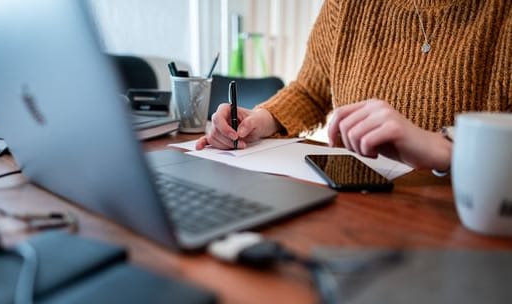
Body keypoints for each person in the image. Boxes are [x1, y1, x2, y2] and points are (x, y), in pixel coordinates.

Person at [197, 0, 511, 174]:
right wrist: (259, 121)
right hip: (356, 203)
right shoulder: (347, 5)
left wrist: (441, 149)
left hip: (462, 220)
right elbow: (310, 90)